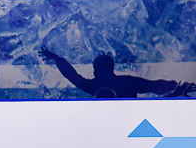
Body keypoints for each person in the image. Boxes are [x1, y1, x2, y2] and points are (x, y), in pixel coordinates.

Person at [39, 48, 194, 98]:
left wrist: (56, 58)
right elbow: (155, 87)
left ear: (96, 70)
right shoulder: (127, 82)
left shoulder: (93, 85)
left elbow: (71, 75)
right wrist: (175, 90)